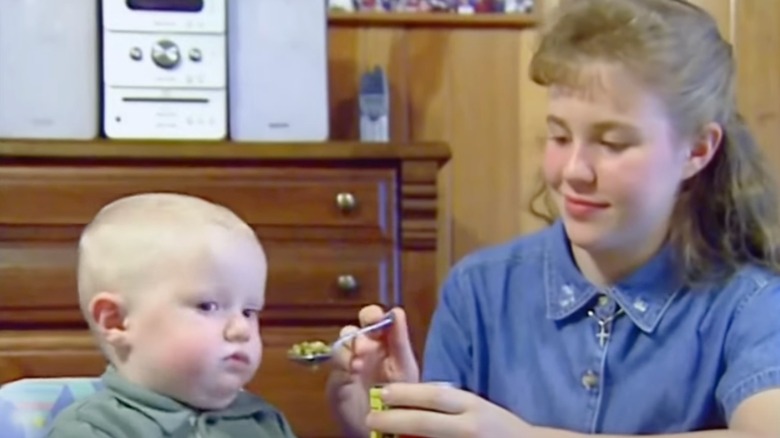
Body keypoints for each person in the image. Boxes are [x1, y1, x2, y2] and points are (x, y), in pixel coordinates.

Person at [326, 0, 780, 436]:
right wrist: (382, 419)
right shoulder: (480, 291)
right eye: (560, 136)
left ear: (697, 151)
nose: (573, 172)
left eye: (614, 143)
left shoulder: (750, 303)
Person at [47, 193, 296, 437]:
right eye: (207, 306)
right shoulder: (91, 429)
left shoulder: (264, 421)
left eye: (249, 311)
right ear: (117, 321)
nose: (241, 329)